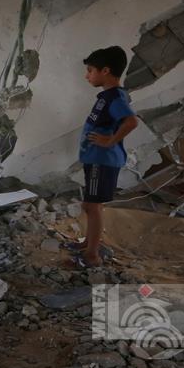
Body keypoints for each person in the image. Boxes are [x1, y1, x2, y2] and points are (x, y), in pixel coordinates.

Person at [74, 46, 138, 268]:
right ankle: (88, 244)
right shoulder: (108, 96)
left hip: (101, 161)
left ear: (105, 71)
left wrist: (110, 141)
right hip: (95, 159)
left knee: (93, 207)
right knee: (90, 205)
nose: (87, 75)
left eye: (90, 70)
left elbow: (131, 121)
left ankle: (92, 255)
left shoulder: (116, 97)